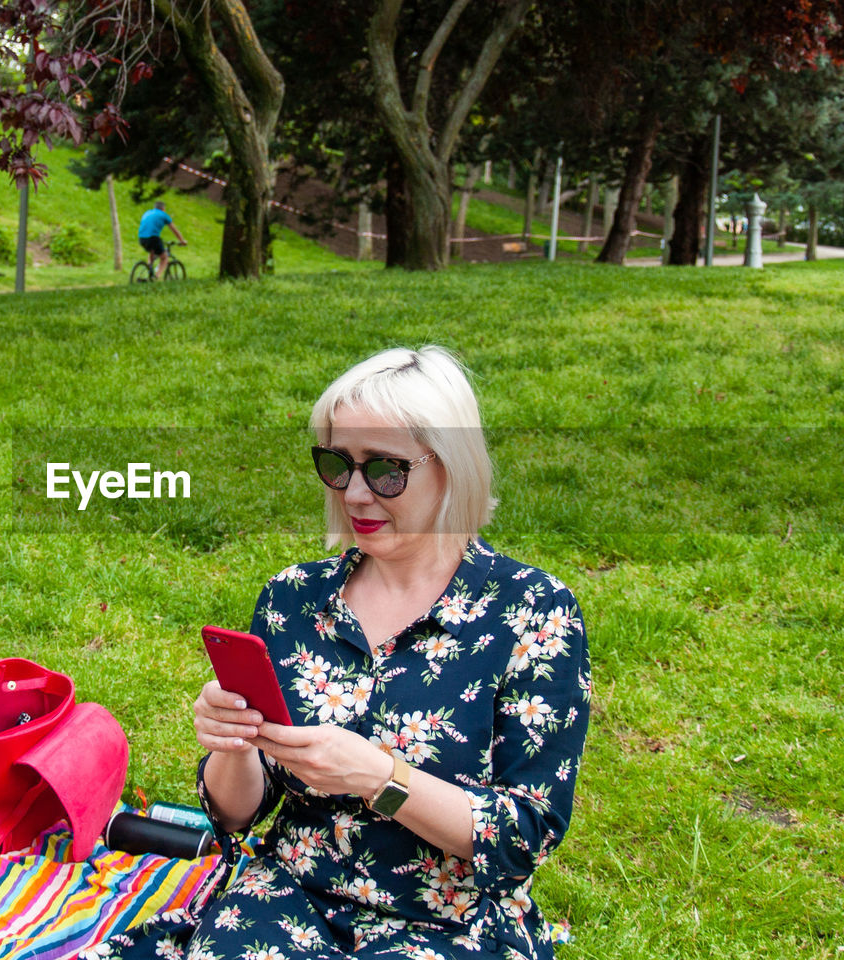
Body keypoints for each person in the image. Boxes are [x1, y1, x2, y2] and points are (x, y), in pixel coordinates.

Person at [114, 346, 591, 960]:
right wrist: (233, 745)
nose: (356, 494)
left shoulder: (531, 613)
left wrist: (378, 778)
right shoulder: (294, 597)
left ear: (451, 465)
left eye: (385, 470)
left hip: (448, 921)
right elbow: (237, 816)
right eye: (338, 464)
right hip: (288, 894)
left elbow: (526, 835)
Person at [138, 201, 186, 279]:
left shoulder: (147, 213)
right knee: (164, 257)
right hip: (153, 238)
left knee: (152, 252)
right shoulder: (164, 215)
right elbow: (174, 230)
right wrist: (182, 240)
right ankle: (156, 277)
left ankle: (149, 272)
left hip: (141, 238)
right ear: (163, 209)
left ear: (154, 207)